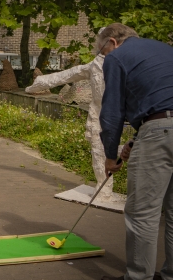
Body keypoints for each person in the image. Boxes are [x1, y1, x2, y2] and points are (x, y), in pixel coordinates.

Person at [98, 23, 173, 280]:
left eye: (103, 52)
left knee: (143, 213)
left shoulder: (118, 57)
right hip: (161, 128)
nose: (105, 58)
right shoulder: (164, 49)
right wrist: (136, 140)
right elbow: (162, 101)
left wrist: (109, 156)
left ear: (113, 42)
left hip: (160, 131)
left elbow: (112, 111)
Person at [25, 26, 137, 202]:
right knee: (98, 151)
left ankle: (115, 181)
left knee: (120, 150)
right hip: (99, 115)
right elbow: (64, 76)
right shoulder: (95, 65)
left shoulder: (125, 63)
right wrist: (36, 85)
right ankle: (104, 190)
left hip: (123, 114)